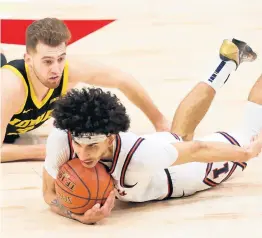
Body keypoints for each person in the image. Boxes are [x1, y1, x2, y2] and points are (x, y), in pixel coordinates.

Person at [43, 38, 260, 225]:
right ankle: (226, 61)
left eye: (92, 147)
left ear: (109, 139)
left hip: (178, 175)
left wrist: (246, 154)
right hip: (155, 144)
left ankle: (226, 62)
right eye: (78, 145)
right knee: (180, 135)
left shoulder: (140, 159)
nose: (82, 155)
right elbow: (48, 193)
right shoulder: (62, 138)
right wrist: (77, 216)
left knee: (250, 131)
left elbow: (196, 150)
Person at [0, 18, 169, 163]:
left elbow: (123, 80)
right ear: (28, 59)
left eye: (60, 58)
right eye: (47, 61)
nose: (56, 69)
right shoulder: (9, 88)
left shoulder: (69, 71)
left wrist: (160, 121)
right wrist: (49, 151)